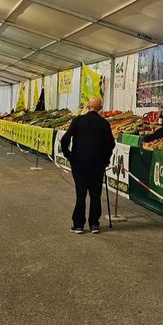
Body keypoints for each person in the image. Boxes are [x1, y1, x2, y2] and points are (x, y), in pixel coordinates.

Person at [59, 97, 114, 234]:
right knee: (95, 194)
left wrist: (68, 155)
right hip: (97, 164)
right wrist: (105, 159)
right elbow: (110, 144)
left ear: (88, 106)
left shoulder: (77, 120)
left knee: (81, 193)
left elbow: (65, 139)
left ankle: (78, 225)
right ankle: (94, 224)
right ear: (100, 108)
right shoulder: (104, 123)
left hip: (79, 163)